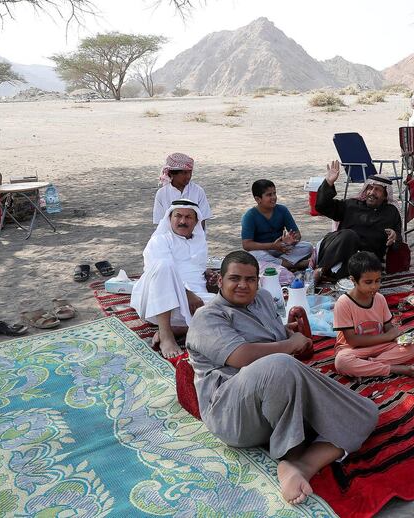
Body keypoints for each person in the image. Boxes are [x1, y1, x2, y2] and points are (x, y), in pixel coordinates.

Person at [186, 251, 378, 505]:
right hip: (232, 414)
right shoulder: (208, 316)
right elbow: (242, 356)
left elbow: (273, 337)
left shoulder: (263, 298)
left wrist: (289, 334)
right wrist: (290, 345)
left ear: (258, 281)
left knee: (365, 411)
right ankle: (292, 447)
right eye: (234, 278)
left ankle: (300, 466)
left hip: (276, 395)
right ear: (219, 281)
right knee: (280, 364)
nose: (243, 285)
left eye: (250, 279)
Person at [132, 199, 215, 359]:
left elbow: (192, 268)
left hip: (194, 305)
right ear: (170, 218)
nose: (183, 221)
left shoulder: (200, 241)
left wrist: (207, 274)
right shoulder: (159, 240)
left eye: (188, 217)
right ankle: (166, 334)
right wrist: (186, 293)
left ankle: (180, 329)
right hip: (158, 304)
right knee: (164, 265)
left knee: (230, 309)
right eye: (178, 216)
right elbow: (160, 275)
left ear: (196, 221)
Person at [333, 251, 414, 377]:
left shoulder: (379, 298)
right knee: (342, 362)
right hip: (353, 350)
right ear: (353, 280)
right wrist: (388, 336)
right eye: (368, 282)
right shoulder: (343, 303)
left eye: (378, 280)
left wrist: (398, 338)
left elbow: (388, 327)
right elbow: (352, 341)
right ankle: (392, 368)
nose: (375, 286)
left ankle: (370, 365)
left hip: (380, 346)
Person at [314, 160, 402, 280]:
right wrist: (328, 183)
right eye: (369, 188)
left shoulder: (391, 213)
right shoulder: (351, 205)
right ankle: (320, 271)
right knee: (350, 235)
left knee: (363, 265)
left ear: (385, 195)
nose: (371, 192)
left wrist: (394, 237)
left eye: (377, 190)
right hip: (337, 248)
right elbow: (322, 207)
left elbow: (398, 243)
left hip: (363, 259)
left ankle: (338, 277)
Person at [241, 179, 313, 271]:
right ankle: (294, 265)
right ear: (257, 199)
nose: (273, 197)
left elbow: (297, 234)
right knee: (254, 256)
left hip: (282, 249)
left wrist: (291, 240)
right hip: (263, 251)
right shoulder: (250, 216)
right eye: (269, 195)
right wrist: (272, 246)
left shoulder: (282, 210)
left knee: (308, 247)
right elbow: (247, 245)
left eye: (274, 193)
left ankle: (279, 264)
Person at [152, 152, 212, 226]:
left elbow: (202, 219)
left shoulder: (198, 191)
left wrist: (196, 237)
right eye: (184, 173)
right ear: (171, 174)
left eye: (190, 172)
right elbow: (160, 222)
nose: (188, 176)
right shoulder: (161, 194)